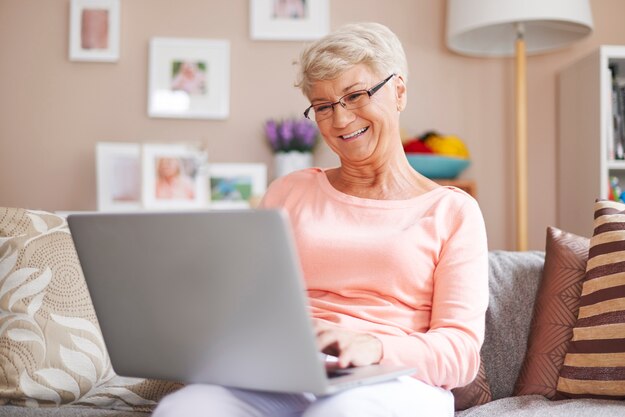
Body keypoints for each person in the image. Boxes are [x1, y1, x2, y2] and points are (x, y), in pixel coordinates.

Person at [153, 22, 488, 417]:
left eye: (356, 95)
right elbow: (250, 307)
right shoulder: (289, 192)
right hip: (286, 373)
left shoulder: (451, 211)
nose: (341, 120)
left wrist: (374, 345)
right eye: (324, 106)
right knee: (185, 409)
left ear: (398, 91)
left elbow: (461, 353)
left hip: (395, 378)